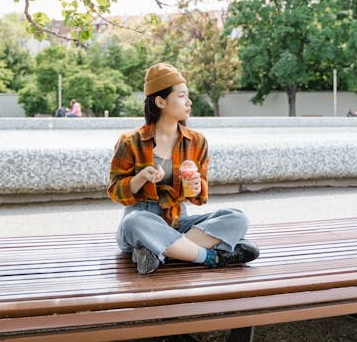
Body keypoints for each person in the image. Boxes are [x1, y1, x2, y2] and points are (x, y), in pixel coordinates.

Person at [108, 62, 259, 275]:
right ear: (160, 101)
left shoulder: (197, 141)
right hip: (143, 220)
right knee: (134, 222)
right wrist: (141, 177)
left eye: (187, 95)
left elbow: (199, 197)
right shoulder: (130, 141)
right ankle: (210, 257)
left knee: (237, 217)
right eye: (181, 96)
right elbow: (115, 191)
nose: (188, 102)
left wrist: (197, 187)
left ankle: (157, 252)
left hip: (179, 220)